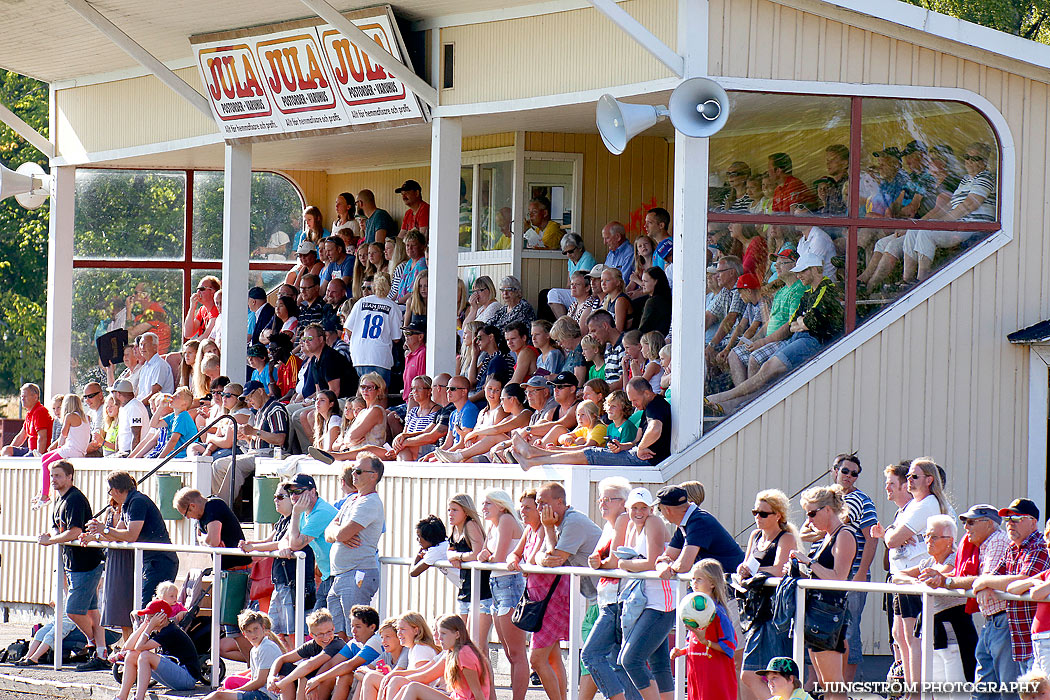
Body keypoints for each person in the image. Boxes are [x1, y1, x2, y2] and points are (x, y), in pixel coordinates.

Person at [706, 252, 843, 414]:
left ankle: (723, 399)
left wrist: (802, 323)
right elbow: (794, 324)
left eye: (803, 271)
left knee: (766, 367)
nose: (798, 275)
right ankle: (734, 405)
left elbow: (809, 322)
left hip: (813, 341)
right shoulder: (807, 293)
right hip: (799, 337)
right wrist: (802, 323)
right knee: (764, 368)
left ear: (815, 270)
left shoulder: (826, 288)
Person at [871, 457, 951, 688]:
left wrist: (886, 535)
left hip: (916, 577)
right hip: (902, 576)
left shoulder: (928, 503)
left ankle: (917, 691)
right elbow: (896, 539)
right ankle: (909, 688)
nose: (909, 481)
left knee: (912, 636)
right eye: (908, 478)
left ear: (929, 480)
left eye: (914, 477)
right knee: (900, 635)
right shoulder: (913, 506)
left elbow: (894, 539)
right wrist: (892, 536)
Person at [921, 504, 1011, 698]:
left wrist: (945, 580)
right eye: (964, 522)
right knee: (983, 685)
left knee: (1004, 685)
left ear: (988, 524)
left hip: (1002, 620)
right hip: (992, 620)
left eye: (971, 522)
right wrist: (946, 579)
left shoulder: (996, 541)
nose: (966, 527)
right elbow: (976, 579)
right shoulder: (982, 544)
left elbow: (984, 579)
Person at [788, 486, 858, 700]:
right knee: (826, 683)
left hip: (829, 615)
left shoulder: (844, 535)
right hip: (819, 614)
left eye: (811, 513)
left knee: (833, 686)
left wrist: (807, 561)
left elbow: (838, 577)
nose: (808, 520)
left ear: (828, 510)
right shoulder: (828, 536)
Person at [37, 460, 108, 669]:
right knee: (93, 611)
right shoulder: (59, 500)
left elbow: (76, 531)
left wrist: (51, 540)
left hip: (86, 563)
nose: (54, 480)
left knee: (73, 610)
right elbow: (57, 528)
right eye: (52, 476)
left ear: (70, 477)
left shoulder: (75, 499)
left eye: (58, 475)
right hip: (73, 563)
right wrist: (48, 535)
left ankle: (95, 644)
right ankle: (101, 653)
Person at [512, 377, 671, 468]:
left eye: (635, 400)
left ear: (647, 393)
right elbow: (636, 441)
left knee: (591, 452)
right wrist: (624, 446)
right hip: (634, 454)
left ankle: (534, 458)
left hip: (645, 461)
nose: (634, 404)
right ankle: (534, 454)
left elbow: (655, 429)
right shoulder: (648, 406)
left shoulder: (656, 406)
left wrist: (641, 448)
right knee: (587, 451)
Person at [892, 514, 977, 682]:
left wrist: (935, 579)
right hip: (934, 632)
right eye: (926, 536)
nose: (928, 540)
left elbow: (944, 576)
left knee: (956, 687)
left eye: (934, 536)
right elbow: (898, 575)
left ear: (949, 540)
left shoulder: (954, 559)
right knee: (937, 687)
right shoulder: (928, 563)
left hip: (954, 631)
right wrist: (914, 581)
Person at [972, 498, 1050, 676]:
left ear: (1033, 522)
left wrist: (985, 583)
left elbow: (1023, 579)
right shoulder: (1012, 549)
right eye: (1007, 520)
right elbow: (994, 577)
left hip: (1039, 640)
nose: (1010, 524)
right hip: (1021, 637)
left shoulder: (1039, 547)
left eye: (1016, 518)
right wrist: (985, 584)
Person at [900, 141, 997, 282]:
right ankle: (906, 280)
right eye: (966, 157)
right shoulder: (966, 179)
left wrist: (941, 222)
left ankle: (920, 281)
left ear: (984, 162)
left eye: (974, 158)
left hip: (974, 225)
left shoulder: (985, 177)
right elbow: (950, 205)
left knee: (926, 232)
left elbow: (969, 205)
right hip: (960, 223)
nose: (968, 161)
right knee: (914, 230)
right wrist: (926, 222)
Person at [86, 469, 179, 614]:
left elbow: (130, 536)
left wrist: (103, 529)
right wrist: (95, 536)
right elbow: (118, 534)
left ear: (115, 490)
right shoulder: (127, 504)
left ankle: (152, 636)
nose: (110, 495)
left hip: (160, 561)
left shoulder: (137, 502)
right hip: (150, 562)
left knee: (148, 608)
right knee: (145, 608)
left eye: (109, 492)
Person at [239, 480, 316, 648]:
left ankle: (297, 665)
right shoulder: (282, 519)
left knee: (294, 631)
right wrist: (250, 544)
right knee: (277, 630)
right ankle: (285, 665)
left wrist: (253, 547)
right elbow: (270, 540)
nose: (276, 500)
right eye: (275, 497)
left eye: (281, 497)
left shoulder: (298, 521)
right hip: (281, 582)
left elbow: (281, 542)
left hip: (295, 583)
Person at [737, 490, 798, 698]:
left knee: (773, 674)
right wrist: (743, 570)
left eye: (763, 514)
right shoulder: (755, 536)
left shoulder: (786, 537)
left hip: (775, 613)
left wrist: (754, 572)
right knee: (755, 673)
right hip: (755, 612)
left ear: (777, 515)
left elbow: (780, 568)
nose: (757, 517)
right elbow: (747, 565)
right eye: (755, 512)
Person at [581, 478, 637, 700]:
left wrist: (599, 562)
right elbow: (595, 559)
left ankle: (616, 697)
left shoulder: (624, 520)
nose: (602, 504)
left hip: (619, 600)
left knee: (591, 654)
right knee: (619, 662)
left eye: (609, 499)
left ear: (623, 503)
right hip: (607, 598)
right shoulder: (608, 525)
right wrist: (597, 561)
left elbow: (613, 562)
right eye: (601, 499)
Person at [617, 487, 674, 700]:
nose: (639, 512)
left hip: (660, 603)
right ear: (627, 508)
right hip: (644, 601)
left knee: (629, 660)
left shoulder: (654, 522)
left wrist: (626, 564)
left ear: (651, 509)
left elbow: (652, 562)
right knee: (658, 662)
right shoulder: (632, 526)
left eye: (643, 508)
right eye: (634, 508)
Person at [324, 454, 385, 637]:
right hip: (341, 574)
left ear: (373, 475)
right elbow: (329, 532)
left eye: (358, 471)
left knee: (357, 633)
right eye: (353, 471)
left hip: (357, 573)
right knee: (338, 633)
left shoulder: (370, 502)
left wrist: (339, 534)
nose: (354, 475)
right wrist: (339, 534)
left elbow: (341, 533)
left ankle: (361, 665)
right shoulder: (352, 499)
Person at [475, 489, 528, 700]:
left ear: (501, 505)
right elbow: (484, 554)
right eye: (483, 504)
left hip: (509, 584)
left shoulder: (506, 519)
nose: (484, 508)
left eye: (488, 504)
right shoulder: (493, 525)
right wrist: (485, 556)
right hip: (496, 584)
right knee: (508, 651)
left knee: (516, 652)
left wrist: (486, 557)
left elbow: (496, 557)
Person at [380, 615, 493, 700]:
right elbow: (423, 672)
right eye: (438, 633)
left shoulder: (465, 653)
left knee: (413, 687)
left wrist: (398, 678)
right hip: (455, 697)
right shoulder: (451, 652)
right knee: (407, 687)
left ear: (457, 634)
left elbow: (478, 692)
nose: (439, 637)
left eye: (443, 633)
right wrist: (396, 676)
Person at [670, 560, 738, 700]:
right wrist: (682, 651)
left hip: (715, 677)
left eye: (699, 579)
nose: (693, 583)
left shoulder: (718, 613)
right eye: (693, 579)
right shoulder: (694, 610)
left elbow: (730, 647)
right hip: (696, 673)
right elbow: (694, 643)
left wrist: (705, 641)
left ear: (712, 583)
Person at [113, 600, 202, 700]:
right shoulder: (158, 629)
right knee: (131, 655)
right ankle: (121, 697)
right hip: (176, 675)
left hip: (187, 678)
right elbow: (128, 647)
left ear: (162, 617)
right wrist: (145, 625)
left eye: (151, 617)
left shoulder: (170, 631)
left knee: (145, 656)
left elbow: (139, 647)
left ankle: (139, 698)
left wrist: (149, 626)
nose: (148, 619)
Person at [655, 484, 745, 578]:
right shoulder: (685, 524)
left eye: (659, 509)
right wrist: (663, 566)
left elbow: (684, 565)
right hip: (714, 582)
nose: (661, 513)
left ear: (667, 509)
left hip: (730, 584)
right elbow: (667, 557)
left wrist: (669, 569)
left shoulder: (699, 522)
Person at [444, 494, 492, 645]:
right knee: (462, 641)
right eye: (449, 510)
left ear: (465, 511)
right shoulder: (454, 530)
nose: (450, 514)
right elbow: (448, 551)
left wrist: (459, 557)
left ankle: (485, 669)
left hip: (481, 592)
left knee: (477, 644)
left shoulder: (470, 525)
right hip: (465, 590)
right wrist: (453, 556)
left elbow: (478, 553)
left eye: (455, 510)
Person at [202, 610, 283, 700]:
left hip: (268, 695)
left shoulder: (267, 647)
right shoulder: (254, 650)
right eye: (249, 631)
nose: (253, 634)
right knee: (222, 692)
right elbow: (254, 679)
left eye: (256, 629)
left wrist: (234, 691)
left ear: (263, 628)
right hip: (260, 692)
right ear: (244, 634)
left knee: (218, 696)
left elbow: (260, 682)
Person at [267, 609, 344, 700]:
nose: (326, 637)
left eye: (329, 632)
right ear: (312, 635)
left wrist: (283, 683)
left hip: (331, 681)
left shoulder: (336, 644)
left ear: (333, 629)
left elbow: (309, 665)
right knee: (286, 666)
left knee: (304, 673)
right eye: (320, 634)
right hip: (315, 681)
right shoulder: (313, 645)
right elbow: (281, 659)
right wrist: (271, 677)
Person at [346, 272, 403, 384]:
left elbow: (348, 329)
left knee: (364, 391)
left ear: (374, 286)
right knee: (380, 393)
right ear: (390, 287)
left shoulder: (361, 302)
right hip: (380, 356)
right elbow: (396, 338)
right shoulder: (392, 306)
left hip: (359, 355)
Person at [547, 233, 599, 317]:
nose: (568, 255)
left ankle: (564, 324)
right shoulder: (571, 261)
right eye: (565, 252)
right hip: (575, 292)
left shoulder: (587, 258)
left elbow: (581, 282)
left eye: (571, 251)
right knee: (545, 294)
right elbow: (568, 284)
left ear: (580, 248)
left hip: (585, 294)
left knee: (553, 293)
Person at [1, 383, 53, 457]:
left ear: (35, 397)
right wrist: (10, 448)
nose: (22, 399)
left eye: (25, 396)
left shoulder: (40, 411)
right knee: (6, 450)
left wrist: (38, 458)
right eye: (21, 396)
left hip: (37, 452)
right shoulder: (29, 413)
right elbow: (21, 436)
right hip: (30, 450)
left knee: (24, 459)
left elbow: (42, 437)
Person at [135, 332, 174, 403]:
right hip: (143, 405)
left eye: (145, 344)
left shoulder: (160, 365)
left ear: (155, 346)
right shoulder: (145, 366)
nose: (142, 347)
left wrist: (139, 406)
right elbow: (138, 392)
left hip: (156, 406)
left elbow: (154, 394)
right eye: (141, 344)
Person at [390, 231, 428, 304]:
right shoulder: (409, 262)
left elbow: (415, 290)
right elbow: (400, 288)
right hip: (400, 303)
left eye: (413, 245)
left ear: (422, 246)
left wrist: (398, 302)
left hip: (412, 304)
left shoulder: (422, 264)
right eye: (407, 245)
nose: (410, 248)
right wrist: (391, 301)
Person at [183, 275, 221, 340]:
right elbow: (187, 334)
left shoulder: (216, 309)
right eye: (197, 289)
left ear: (212, 291)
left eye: (202, 289)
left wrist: (191, 347)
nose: (198, 292)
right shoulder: (202, 310)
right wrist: (192, 307)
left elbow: (206, 336)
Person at [402, 320, 427, 400]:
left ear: (420, 337)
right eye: (405, 333)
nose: (406, 337)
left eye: (409, 333)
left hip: (415, 402)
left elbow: (422, 384)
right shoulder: (409, 355)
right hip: (407, 402)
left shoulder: (422, 354)